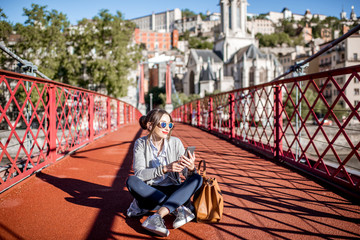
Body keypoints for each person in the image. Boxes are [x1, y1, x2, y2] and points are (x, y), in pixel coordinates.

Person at [126, 108, 203, 237]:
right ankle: (176, 208)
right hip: (151, 193)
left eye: (170, 124)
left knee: (197, 178)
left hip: (173, 189)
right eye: (163, 124)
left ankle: (158, 215)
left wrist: (190, 168)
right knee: (131, 180)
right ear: (150, 126)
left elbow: (185, 173)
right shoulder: (140, 143)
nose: (167, 128)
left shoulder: (175, 142)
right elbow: (139, 174)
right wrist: (164, 168)